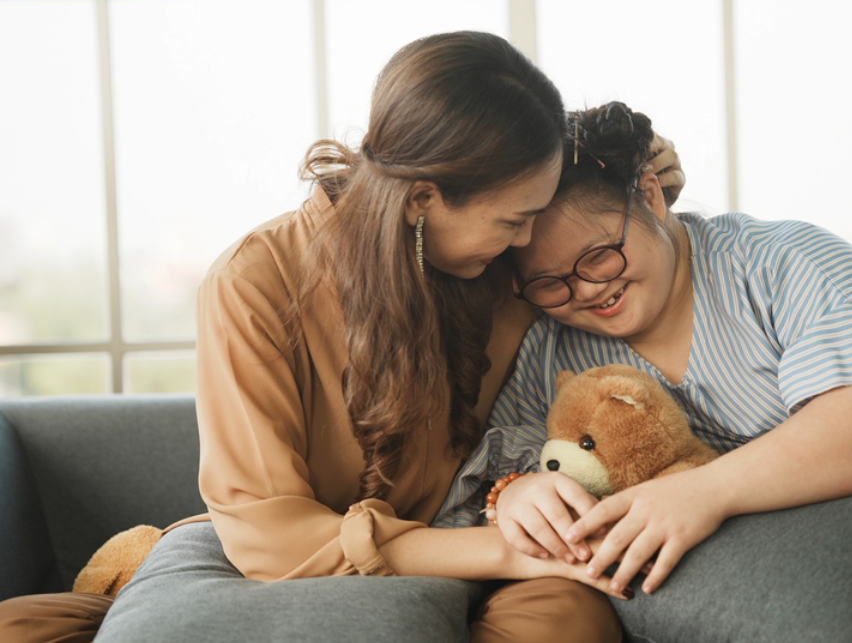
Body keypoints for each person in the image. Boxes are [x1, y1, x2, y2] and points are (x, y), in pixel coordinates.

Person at [0, 35, 686, 643]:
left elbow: (630, 215)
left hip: (476, 536)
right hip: (322, 560)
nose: (530, 243)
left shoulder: (499, 262)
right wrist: (502, 551)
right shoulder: (254, 283)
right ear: (422, 198)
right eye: (514, 220)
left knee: (566, 622)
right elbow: (271, 535)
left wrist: (610, 161)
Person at [435, 101, 852, 643]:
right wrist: (515, 494)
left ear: (651, 198)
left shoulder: (780, 261)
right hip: (769, 572)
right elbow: (500, 468)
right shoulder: (553, 347)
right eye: (550, 283)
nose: (587, 290)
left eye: (599, 256)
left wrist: (706, 492)